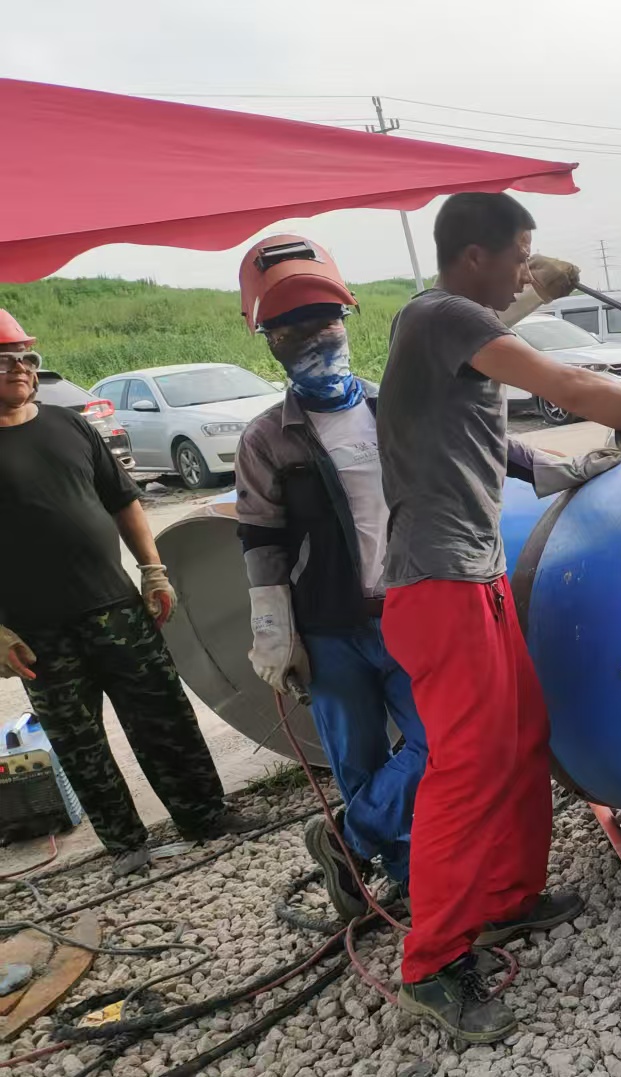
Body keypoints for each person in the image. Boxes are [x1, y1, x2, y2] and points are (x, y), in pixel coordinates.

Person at [377, 191, 621, 1043]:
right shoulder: (441, 315)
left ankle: (506, 898)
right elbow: (569, 384)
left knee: (523, 732)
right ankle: (431, 963)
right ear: (475, 256)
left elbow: (492, 389)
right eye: (520, 254)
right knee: (465, 769)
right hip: (437, 587)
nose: (527, 269)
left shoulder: (448, 327)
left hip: (473, 574)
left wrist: (533, 298)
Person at [0, 308, 253, 877]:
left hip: (115, 609)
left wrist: (153, 569)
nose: (19, 367)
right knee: (80, 743)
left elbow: (123, 501)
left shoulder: (68, 426)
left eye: (25, 357)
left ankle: (205, 816)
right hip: (37, 633)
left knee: (163, 716)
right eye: (3, 360)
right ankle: (125, 845)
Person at [233, 234, 426, 917]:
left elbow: (476, 454)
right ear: (270, 344)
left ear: (346, 322)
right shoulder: (267, 438)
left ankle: (346, 838)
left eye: (324, 320)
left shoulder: (388, 408)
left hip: (407, 614)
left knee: (439, 743)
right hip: (328, 631)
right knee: (358, 760)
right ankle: (404, 876)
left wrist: (562, 469)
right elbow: (260, 539)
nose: (314, 338)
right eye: (291, 330)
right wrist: (273, 633)